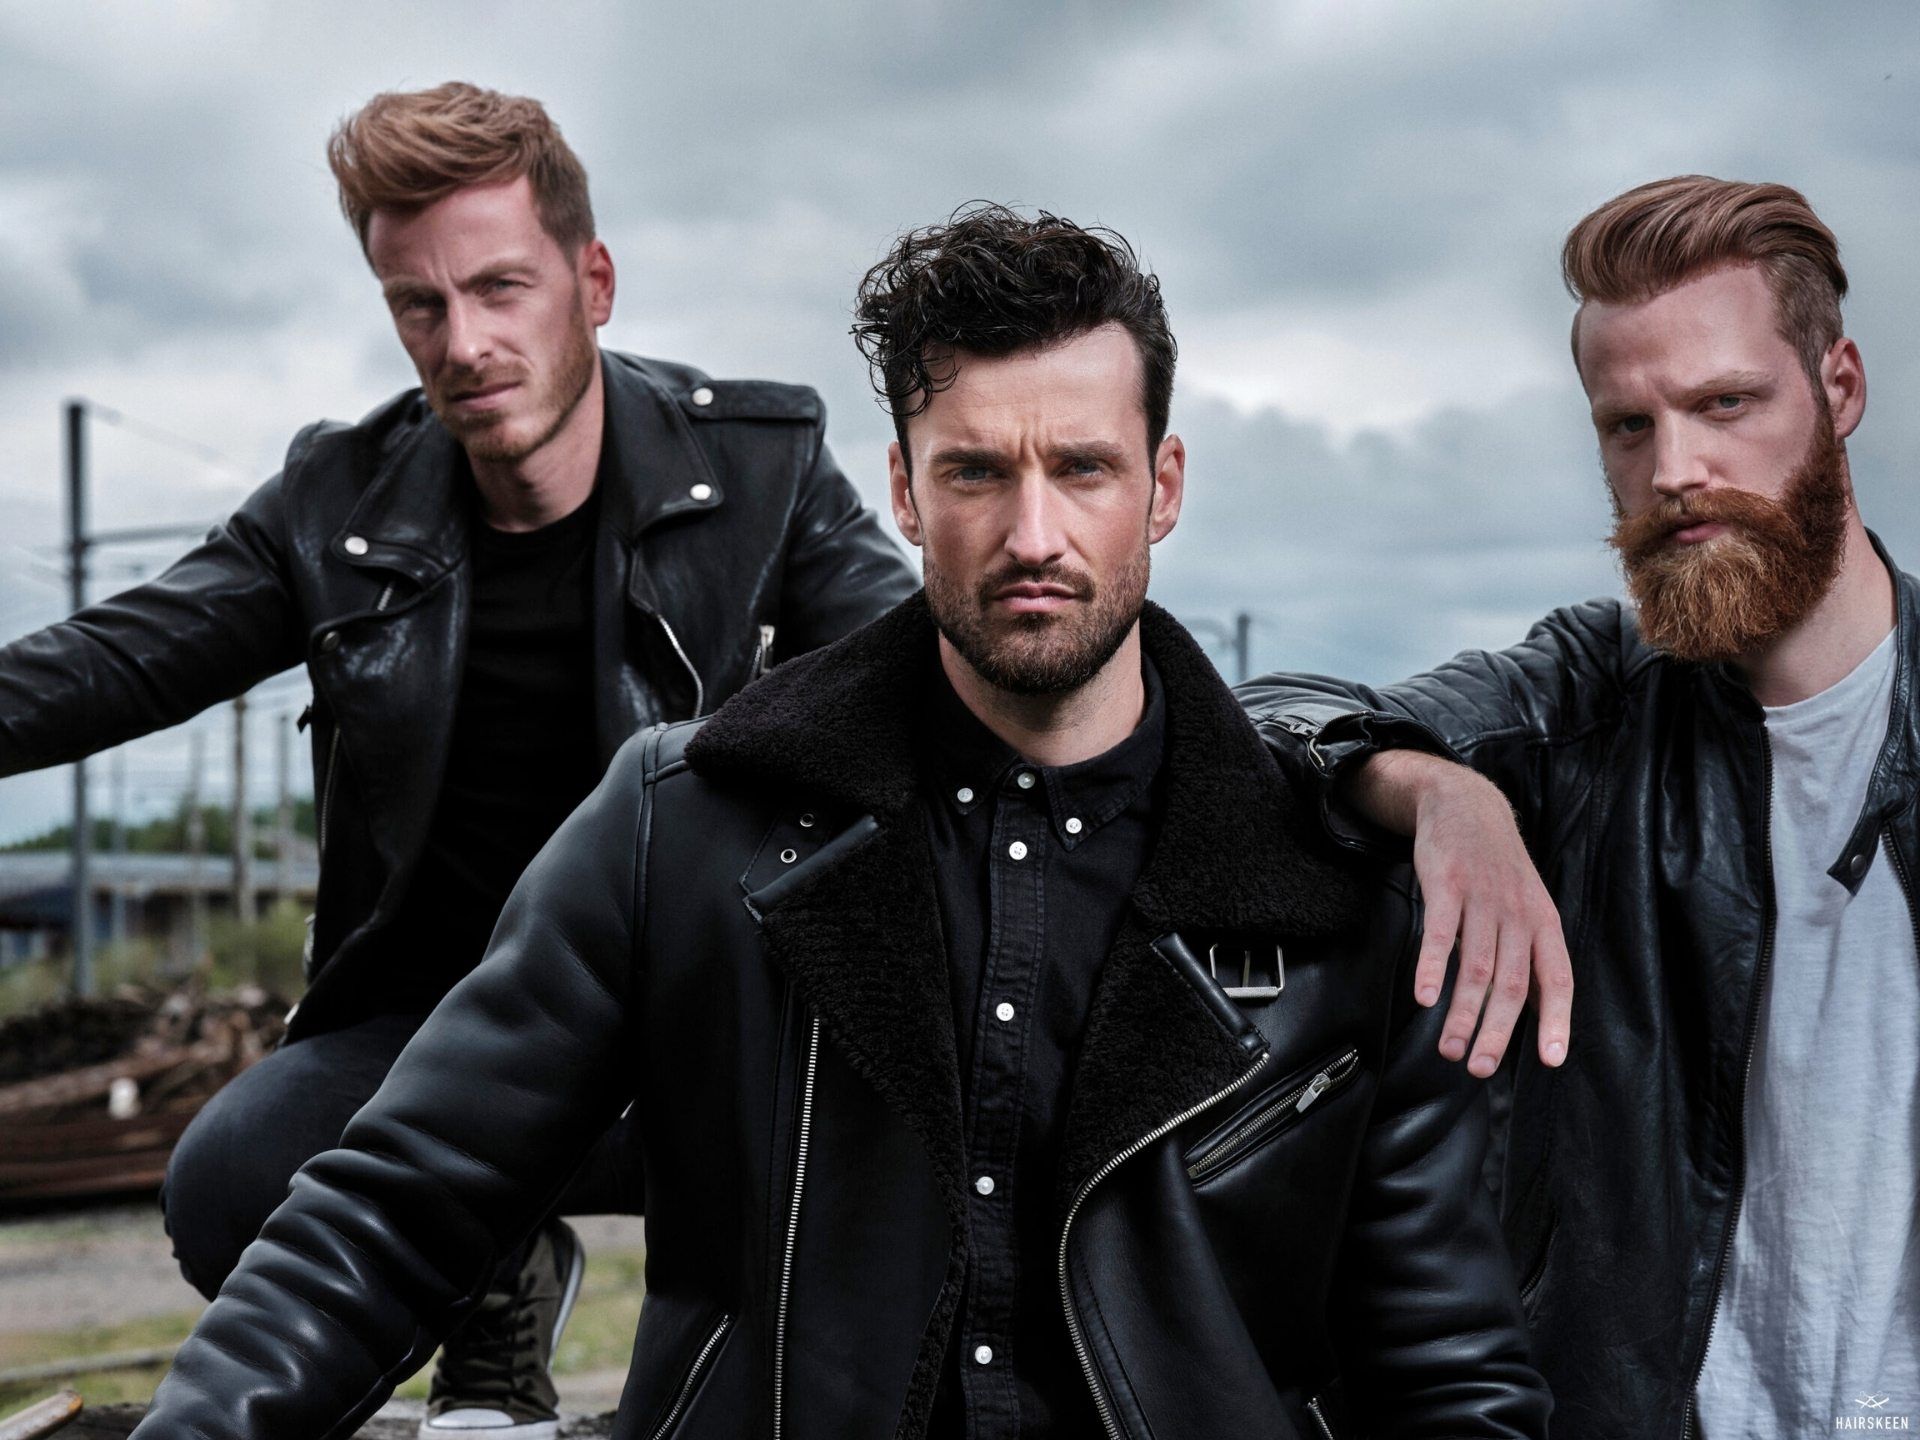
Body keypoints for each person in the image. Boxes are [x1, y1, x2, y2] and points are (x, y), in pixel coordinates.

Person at [123, 204, 1551, 1440]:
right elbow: (394, 1203)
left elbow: (1444, 1367)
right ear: (905, 493)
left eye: (1085, 469)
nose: (1033, 533)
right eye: (978, 472)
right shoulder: (686, 827)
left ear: (1162, 489)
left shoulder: (1343, 887)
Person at [0, 82, 914, 1440]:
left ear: (590, 282)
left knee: (902, 1133)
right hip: (441, 1032)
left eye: (501, 288)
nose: (465, 342)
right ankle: (493, 1283)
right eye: (418, 305)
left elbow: (929, 681)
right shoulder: (337, 502)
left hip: (693, 1018)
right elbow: (107, 664)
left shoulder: (756, 468)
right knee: (228, 1186)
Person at [1241, 175, 1919, 1437]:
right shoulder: (1577, 708)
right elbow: (1261, 728)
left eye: (1726, 404)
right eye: (1626, 426)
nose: (1677, 471)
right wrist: (1437, 790)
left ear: (1841, 390)